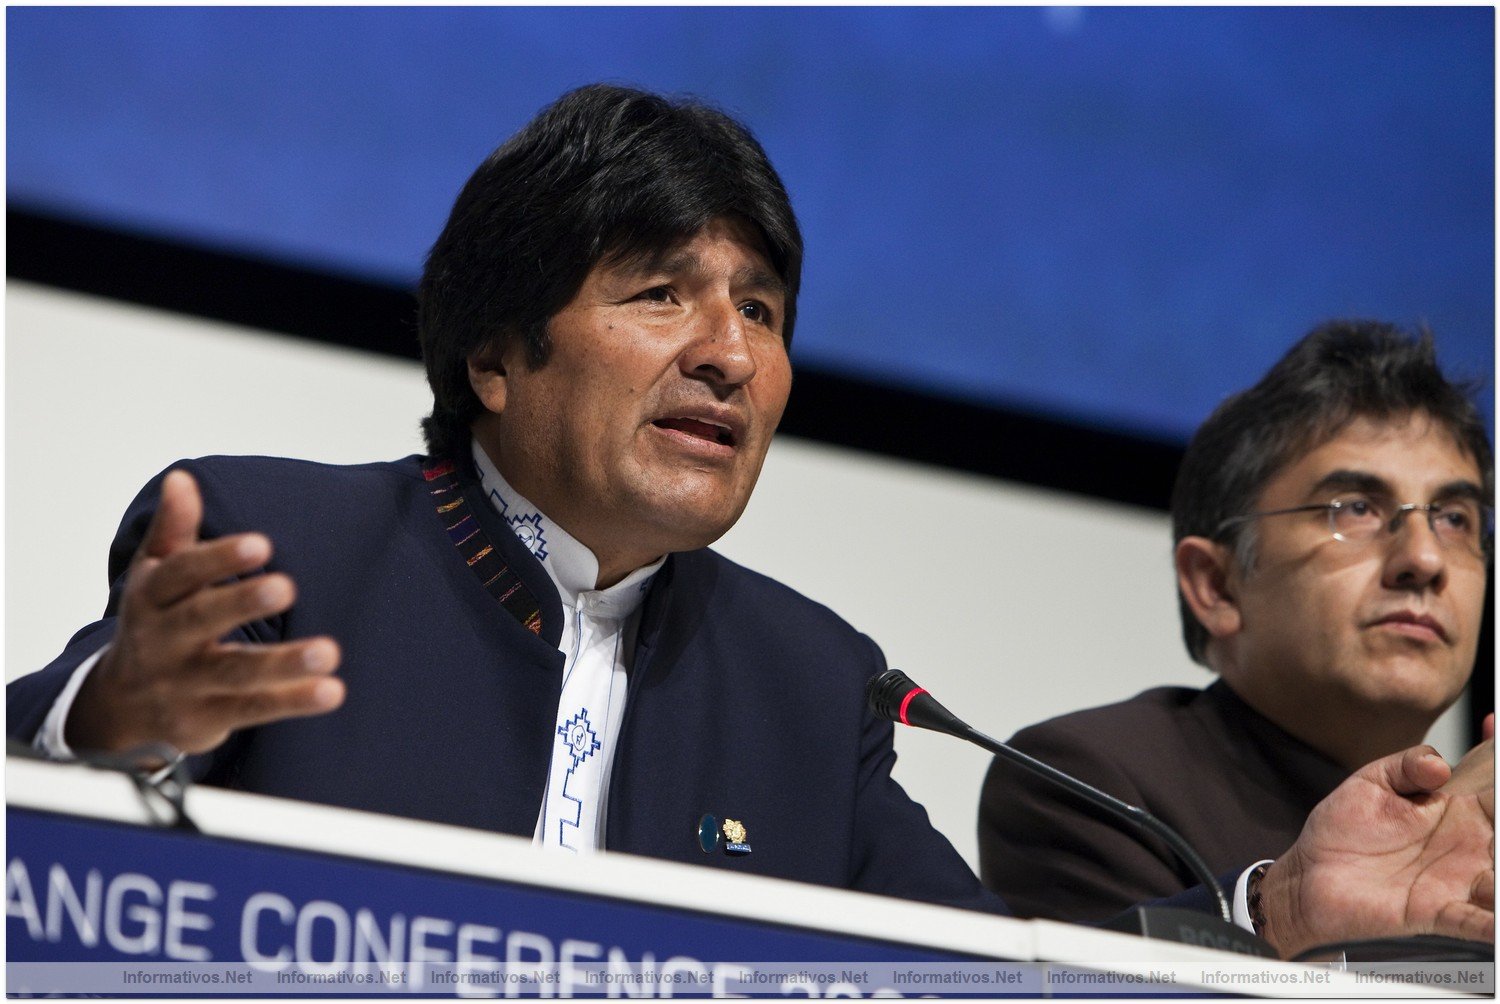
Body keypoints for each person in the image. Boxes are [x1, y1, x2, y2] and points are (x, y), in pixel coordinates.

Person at [7, 87, 1493, 960]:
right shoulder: (274, 545)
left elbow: (988, 978)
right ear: (497, 355)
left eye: (764, 312)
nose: (731, 352)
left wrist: (1274, 908)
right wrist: (108, 727)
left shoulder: (805, 678)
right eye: (662, 293)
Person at [978, 321, 1494, 930]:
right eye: (1355, 508)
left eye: (1455, 519)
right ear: (1216, 584)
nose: (1425, 560)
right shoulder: (1092, 784)